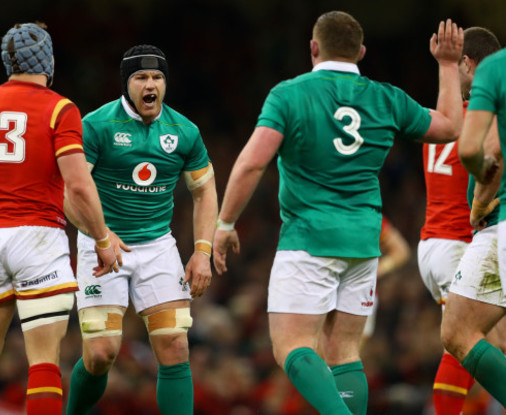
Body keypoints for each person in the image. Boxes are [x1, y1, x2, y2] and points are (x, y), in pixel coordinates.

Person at [213, 12, 464, 415]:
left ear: (313, 48)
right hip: (364, 241)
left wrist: (225, 223)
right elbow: (450, 126)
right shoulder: (386, 97)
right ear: (361, 52)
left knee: (291, 347)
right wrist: (449, 66)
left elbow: (251, 163)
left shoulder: (289, 94)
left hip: (309, 239)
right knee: (343, 352)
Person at [0, 23, 117, 415]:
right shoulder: (60, 108)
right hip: (39, 238)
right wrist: (103, 239)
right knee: (43, 362)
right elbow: (80, 186)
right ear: (48, 60)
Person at [65, 44, 217, 415]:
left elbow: (205, 192)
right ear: (126, 83)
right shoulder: (97, 125)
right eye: (141, 77)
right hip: (101, 245)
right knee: (101, 354)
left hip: (157, 247)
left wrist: (202, 251)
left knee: (176, 346)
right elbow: (69, 193)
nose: (151, 84)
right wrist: (100, 234)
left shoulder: (184, 131)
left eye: (157, 77)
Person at [419, 26, 503, 415]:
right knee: (464, 340)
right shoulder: (484, 115)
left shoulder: (444, 117)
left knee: (492, 343)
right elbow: (490, 159)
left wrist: (445, 67)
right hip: (462, 238)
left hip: (433, 241)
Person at [444, 25, 506, 407]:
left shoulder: (493, 71)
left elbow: (488, 149)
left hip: (500, 221)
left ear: (468, 63)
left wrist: (479, 203)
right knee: (469, 331)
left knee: (460, 331)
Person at [361, 216, 411, 346]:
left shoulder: (368, 214)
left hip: (362, 294)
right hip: (327, 291)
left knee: (348, 357)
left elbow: (401, 251)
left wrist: (379, 269)